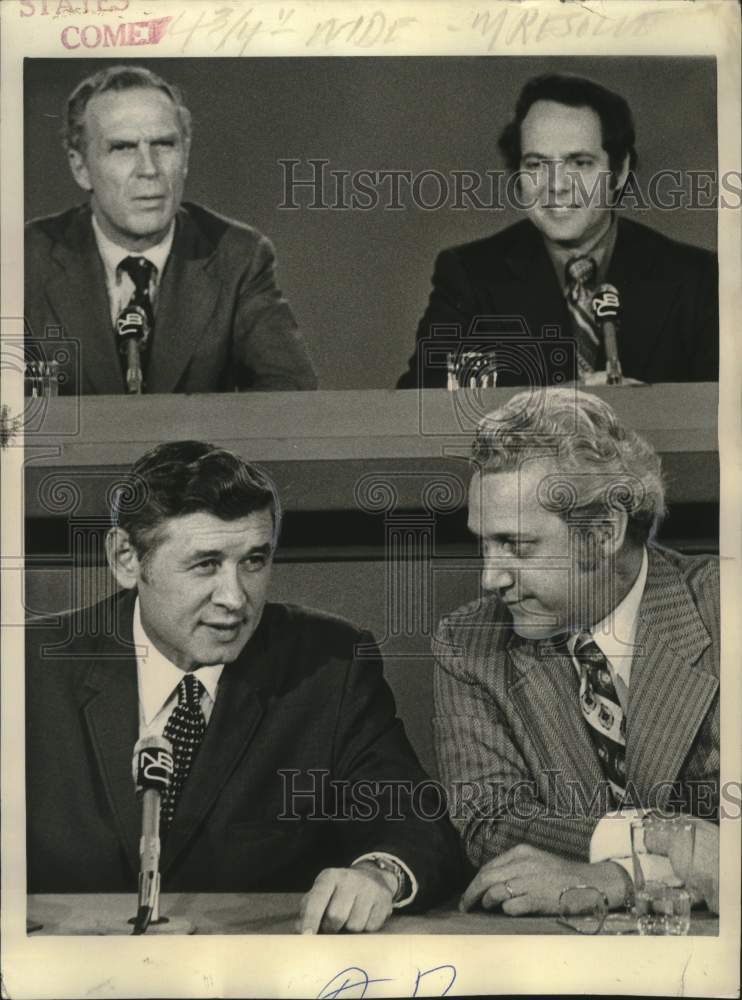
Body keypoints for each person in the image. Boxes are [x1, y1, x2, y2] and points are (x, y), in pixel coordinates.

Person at [26, 441, 462, 933]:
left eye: (254, 561)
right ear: (126, 557)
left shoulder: (328, 664)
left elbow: (415, 822)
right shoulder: (26, 670)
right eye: (206, 564)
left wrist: (379, 874)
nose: (235, 598)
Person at [433, 388, 719, 915]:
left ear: (604, 531)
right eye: (484, 543)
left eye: (517, 546)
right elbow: (491, 823)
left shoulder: (724, 611)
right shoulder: (468, 644)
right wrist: (663, 837)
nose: (490, 577)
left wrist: (622, 878)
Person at [398, 73, 718, 389]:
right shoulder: (470, 276)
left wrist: (639, 409)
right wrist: (563, 406)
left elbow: (731, 417)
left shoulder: (697, 278)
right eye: (536, 165)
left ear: (619, 172)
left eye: (579, 163)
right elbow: (420, 407)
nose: (556, 186)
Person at [25, 65, 317, 394]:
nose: (149, 169)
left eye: (164, 145)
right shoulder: (26, 260)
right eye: (122, 148)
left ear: (186, 156)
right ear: (80, 168)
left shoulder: (238, 257)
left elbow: (292, 396)